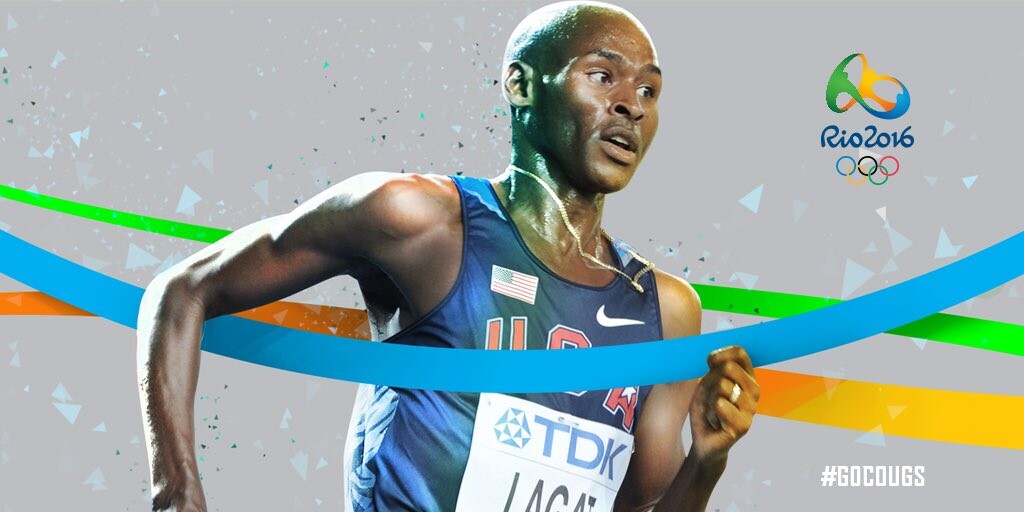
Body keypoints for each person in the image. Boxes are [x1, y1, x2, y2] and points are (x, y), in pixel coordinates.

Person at [136, 2, 760, 511]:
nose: (633, 104)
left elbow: (637, 508)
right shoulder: (419, 220)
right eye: (603, 76)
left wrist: (706, 462)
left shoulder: (664, 309)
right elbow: (183, 289)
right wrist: (177, 494)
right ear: (520, 84)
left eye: (649, 89)